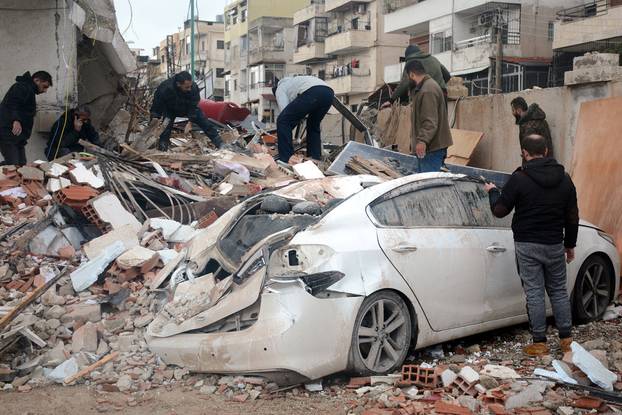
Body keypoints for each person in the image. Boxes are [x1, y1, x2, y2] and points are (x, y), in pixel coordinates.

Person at [484, 134, 579, 357]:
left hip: (527, 245)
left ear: (524, 153)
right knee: (558, 290)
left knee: (535, 292)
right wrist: (570, 244)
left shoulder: (519, 178)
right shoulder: (565, 179)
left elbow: (499, 211)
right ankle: (566, 340)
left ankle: (540, 343)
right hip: (554, 243)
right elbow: (572, 216)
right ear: (546, 151)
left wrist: (493, 192)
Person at [150, 71, 223, 151]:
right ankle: (163, 148)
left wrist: (190, 121)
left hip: (188, 108)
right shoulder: (164, 88)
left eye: (190, 86)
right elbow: (156, 107)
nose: (189, 89)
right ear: (178, 84)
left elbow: (194, 104)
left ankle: (220, 143)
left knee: (204, 122)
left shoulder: (193, 87)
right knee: (166, 128)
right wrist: (153, 123)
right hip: (170, 109)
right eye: (186, 87)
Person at [272, 76, 334, 163]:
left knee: (282, 121)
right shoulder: (295, 82)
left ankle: (287, 158)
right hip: (329, 93)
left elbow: (285, 115)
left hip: (314, 91)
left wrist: (283, 135)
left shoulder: (280, 89)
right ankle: (315, 157)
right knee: (313, 125)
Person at [406, 60, 453, 172]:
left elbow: (430, 121)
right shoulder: (426, 87)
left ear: (412, 74)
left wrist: (422, 141)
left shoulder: (427, 90)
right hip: (432, 147)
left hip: (432, 148)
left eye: (408, 76)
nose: (408, 79)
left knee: (428, 183)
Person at [0, 71, 52, 165]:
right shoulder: (21, 87)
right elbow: (13, 103)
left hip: (17, 137)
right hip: (8, 134)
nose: (45, 91)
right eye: (44, 86)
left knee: (21, 165)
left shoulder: (28, 89)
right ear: (36, 80)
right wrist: (16, 120)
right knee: (14, 165)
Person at [385, 43, 451, 106]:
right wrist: (438, 85)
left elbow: (404, 83)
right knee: (442, 117)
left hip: (425, 95)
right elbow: (447, 76)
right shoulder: (433, 59)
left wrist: (391, 100)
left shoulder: (410, 63)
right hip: (442, 93)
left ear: (408, 56)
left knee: (426, 116)